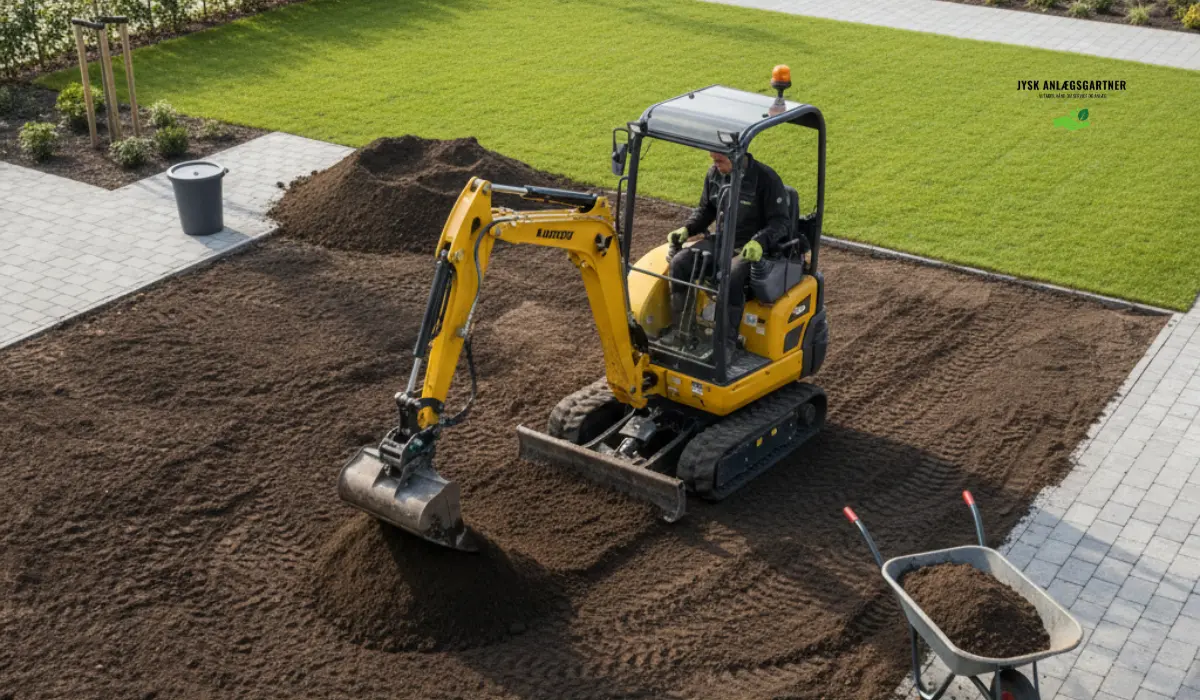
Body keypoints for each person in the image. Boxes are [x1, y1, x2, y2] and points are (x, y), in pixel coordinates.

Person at [664, 151, 801, 359]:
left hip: (753, 250)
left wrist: (760, 241)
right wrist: (687, 229)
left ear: (737, 156)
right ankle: (683, 333)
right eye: (713, 160)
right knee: (680, 262)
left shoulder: (766, 179)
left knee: (730, 276)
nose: (715, 165)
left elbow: (780, 222)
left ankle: (725, 346)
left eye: (719, 160)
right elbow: (706, 209)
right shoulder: (715, 175)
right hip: (722, 241)